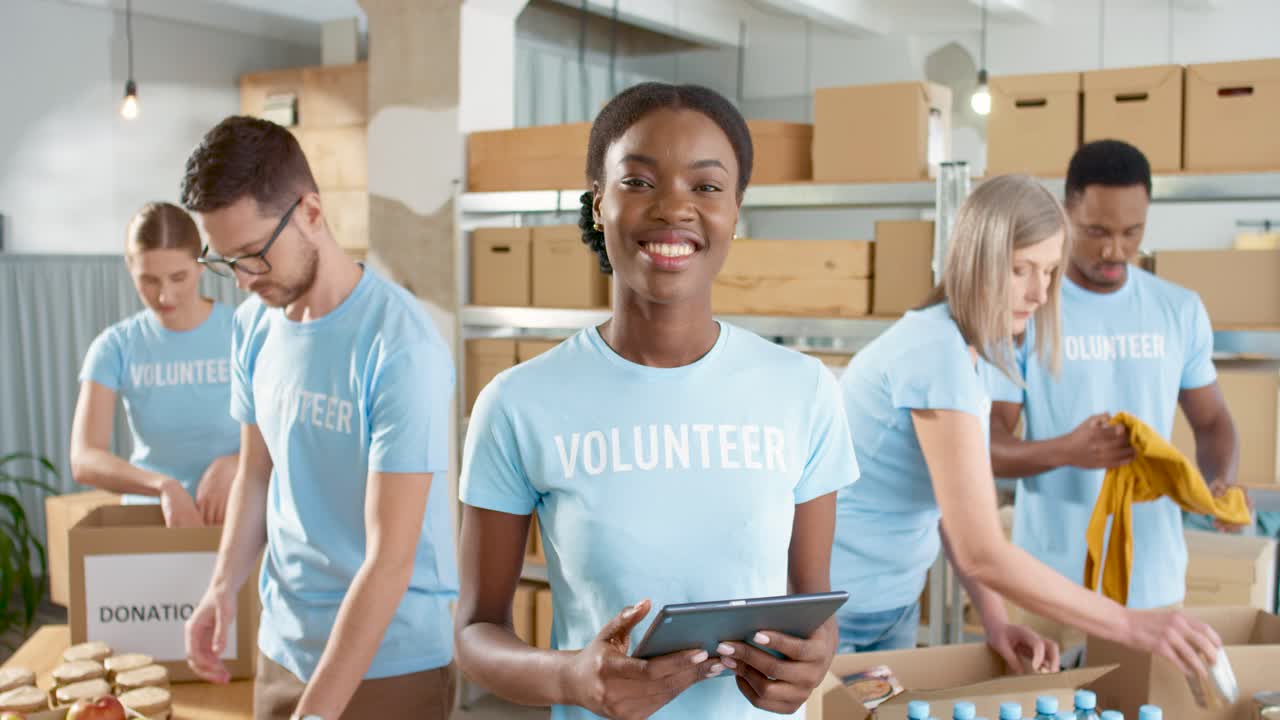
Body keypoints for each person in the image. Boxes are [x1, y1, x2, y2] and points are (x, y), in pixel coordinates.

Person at [455, 83, 857, 720]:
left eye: (705, 186)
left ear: (736, 210)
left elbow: (814, 607)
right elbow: (475, 635)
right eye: (639, 182)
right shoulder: (516, 404)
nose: (674, 208)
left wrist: (813, 660)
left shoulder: (804, 391)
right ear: (597, 204)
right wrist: (570, 677)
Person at [831, 174, 1222, 678]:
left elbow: (954, 508)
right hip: (841, 612)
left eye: (1050, 271)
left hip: (893, 601)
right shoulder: (937, 354)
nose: (1040, 293)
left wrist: (994, 617)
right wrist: (1132, 626)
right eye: (1021, 270)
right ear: (977, 260)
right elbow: (981, 551)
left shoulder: (964, 350)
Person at [179, 116, 458, 720]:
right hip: (284, 648)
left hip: (389, 658)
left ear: (310, 211)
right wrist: (222, 588)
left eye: (254, 254)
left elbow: (390, 559)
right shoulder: (254, 326)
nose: (245, 280)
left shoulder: (401, 347)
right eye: (225, 261)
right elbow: (258, 474)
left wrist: (318, 711)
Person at [987, 140, 1245, 650]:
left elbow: (1212, 421)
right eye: (1096, 232)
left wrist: (1220, 481)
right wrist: (1066, 451)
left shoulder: (1179, 310)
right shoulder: (1027, 309)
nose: (1114, 250)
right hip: (1047, 583)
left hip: (1153, 581)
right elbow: (987, 443)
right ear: (1065, 213)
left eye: (1132, 233)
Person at [70, 202, 238, 528]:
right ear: (129, 268)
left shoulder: (244, 332)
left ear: (201, 262)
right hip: (149, 518)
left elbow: (295, 435)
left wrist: (238, 464)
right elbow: (84, 458)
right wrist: (163, 486)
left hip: (237, 515)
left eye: (178, 277)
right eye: (149, 280)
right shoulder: (115, 346)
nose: (165, 296)